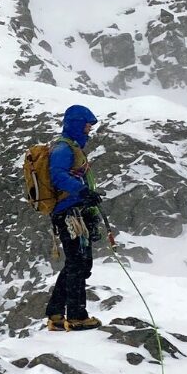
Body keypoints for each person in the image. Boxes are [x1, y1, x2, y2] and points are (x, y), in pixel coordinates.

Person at [44, 103, 107, 331]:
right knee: (79, 264)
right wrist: (82, 192)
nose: (89, 131)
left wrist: (87, 201)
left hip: (74, 213)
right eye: (87, 126)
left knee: (77, 263)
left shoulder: (71, 148)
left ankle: (56, 314)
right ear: (77, 125)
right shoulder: (64, 149)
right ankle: (77, 315)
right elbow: (58, 177)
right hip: (69, 215)